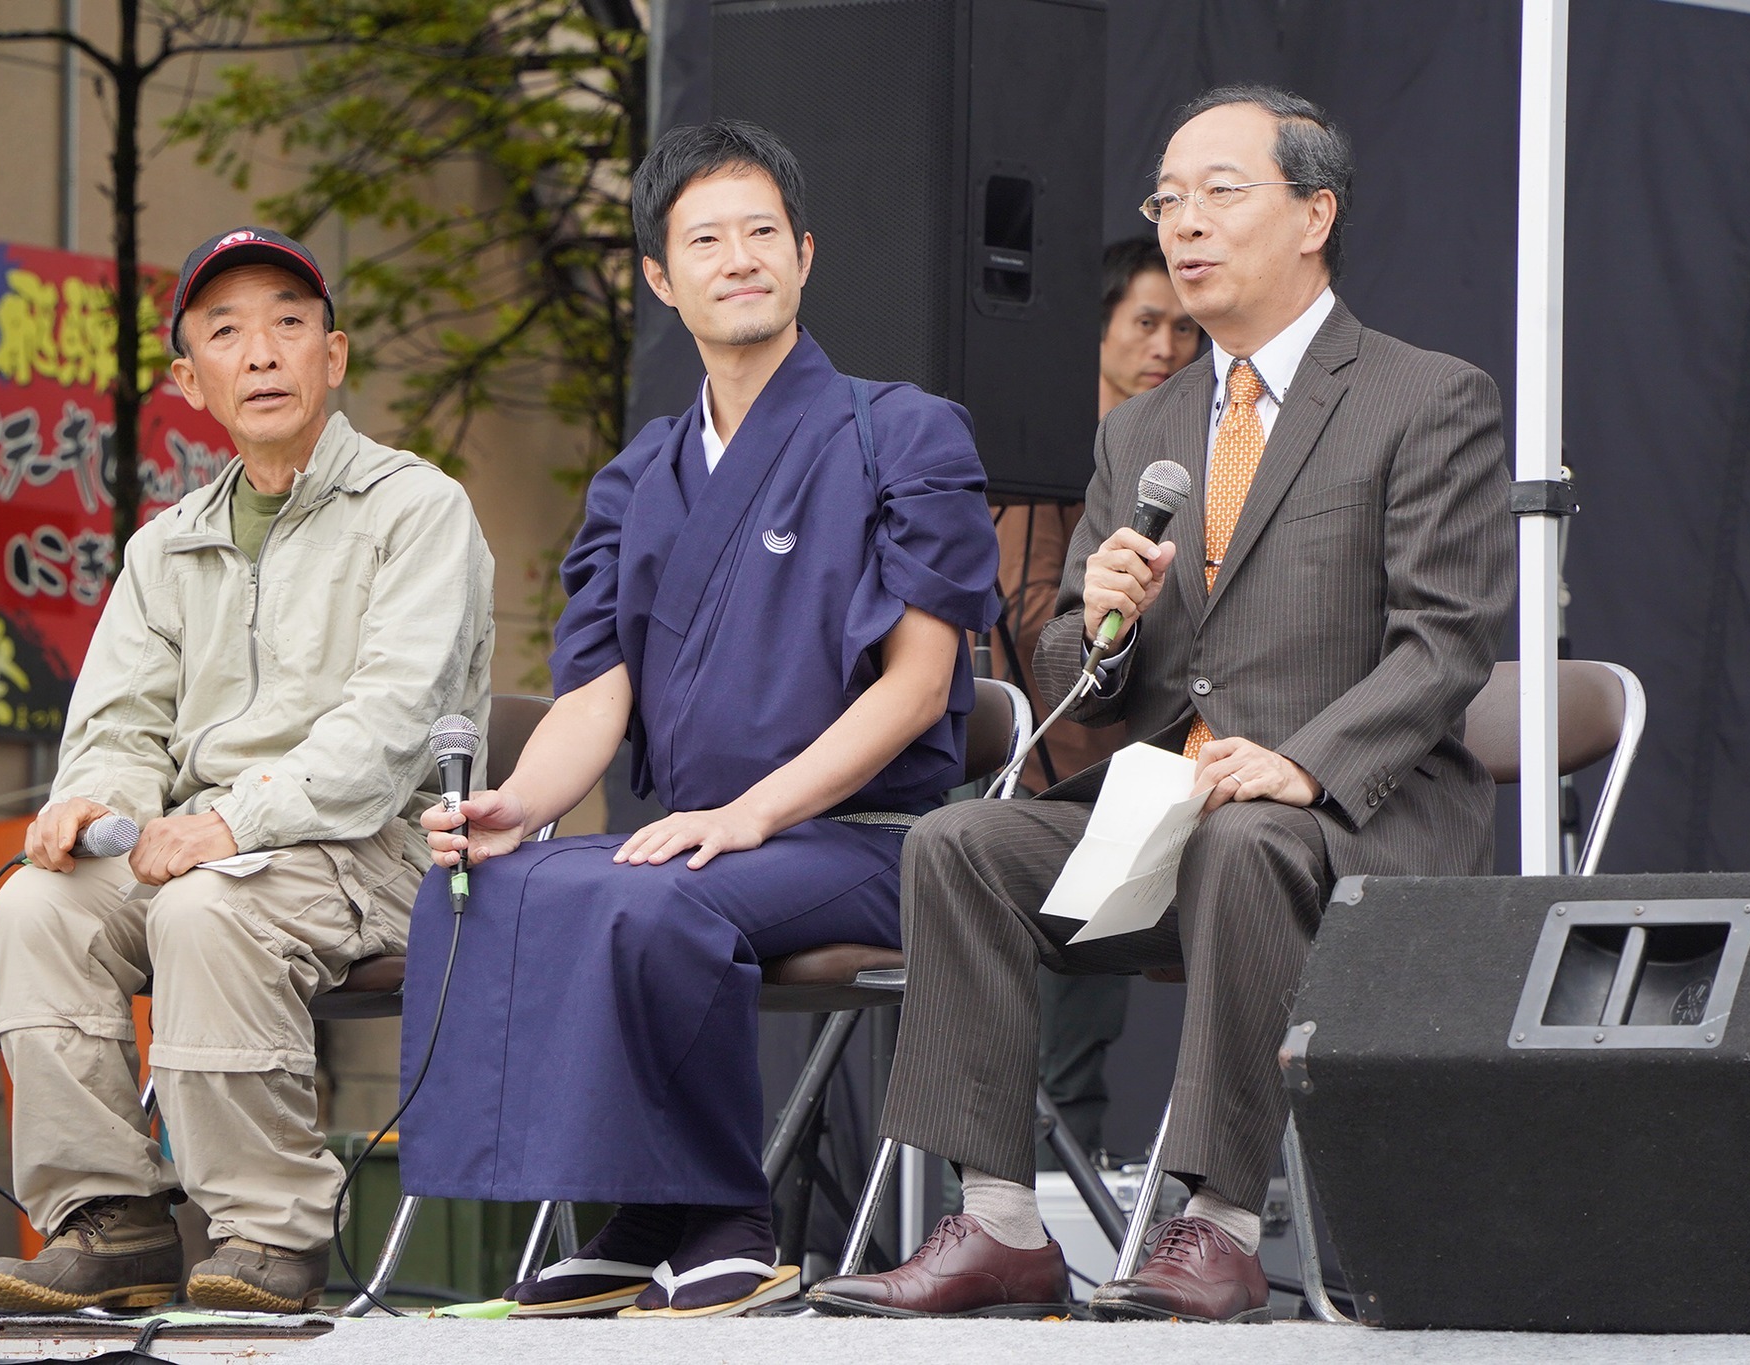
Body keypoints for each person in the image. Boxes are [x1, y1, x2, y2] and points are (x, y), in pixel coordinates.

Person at [809, 85, 1513, 1324]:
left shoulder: (1423, 395)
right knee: (960, 842)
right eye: (1165, 201)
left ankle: (1219, 1225)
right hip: (1170, 806)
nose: (1183, 225)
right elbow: (1084, 677)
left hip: (1351, 821)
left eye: (1218, 194)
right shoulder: (1143, 429)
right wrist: (1101, 617)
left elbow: (1445, 644)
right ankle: (999, 1224)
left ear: (1313, 215)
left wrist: (1300, 763)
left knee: (1244, 835)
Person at [399, 120, 1000, 1321]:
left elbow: (919, 684)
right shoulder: (637, 476)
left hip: (863, 839)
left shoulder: (905, 431)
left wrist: (748, 814)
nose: (739, 259)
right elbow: (596, 689)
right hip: (710, 835)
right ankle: (632, 1209)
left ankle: (727, 1215)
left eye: (762, 234)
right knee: (496, 884)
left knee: (651, 891)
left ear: (804, 257)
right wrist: (519, 805)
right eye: (706, 240)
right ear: (661, 281)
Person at [0, 227, 495, 1314]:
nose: (260, 354)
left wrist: (234, 822)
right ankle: (110, 1220)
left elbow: (392, 725)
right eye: (226, 332)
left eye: (288, 326)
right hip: (210, 850)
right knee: (33, 910)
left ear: (333, 356)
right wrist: (99, 807)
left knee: (207, 909)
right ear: (187, 379)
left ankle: (268, 1234)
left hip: (378, 848)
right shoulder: (166, 547)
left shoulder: (417, 508)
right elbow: (117, 724)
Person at [1010, 238, 1202, 1168]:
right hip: (1055, 770)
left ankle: (1076, 1234)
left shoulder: (1203, 451)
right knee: (1037, 1042)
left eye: (1184, 328)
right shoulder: (1044, 466)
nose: (1166, 344)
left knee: (1081, 1049)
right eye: (1145, 322)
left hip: (1155, 775)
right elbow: (1031, 620)